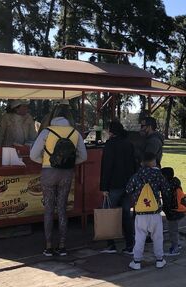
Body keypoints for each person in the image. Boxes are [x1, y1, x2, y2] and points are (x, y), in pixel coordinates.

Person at [30, 103, 87, 257]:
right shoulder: (75, 133)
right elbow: (83, 156)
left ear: (53, 115)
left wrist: (45, 161)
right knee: (62, 208)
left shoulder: (46, 132)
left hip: (48, 172)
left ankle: (48, 246)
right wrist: (68, 163)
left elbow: (33, 155)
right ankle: (62, 245)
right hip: (67, 173)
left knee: (48, 209)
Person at [125, 152, 170, 270]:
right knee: (158, 237)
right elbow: (166, 189)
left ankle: (137, 261)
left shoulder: (136, 176)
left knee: (139, 237)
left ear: (141, 162)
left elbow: (128, 189)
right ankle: (160, 260)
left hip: (140, 214)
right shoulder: (158, 175)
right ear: (153, 161)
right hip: (155, 213)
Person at [100, 121, 136, 255]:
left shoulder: (110, 145)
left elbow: (107, 167)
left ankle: (111, 244)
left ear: (111, 131)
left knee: (107, 212)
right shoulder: (128, 143)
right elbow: (134, 164)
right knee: (126, 214)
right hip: (128, 185)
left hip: (114, 184)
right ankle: (130, 244)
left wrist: (104, 187)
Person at [161, 167, 186, 256]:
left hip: (173, 212)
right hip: (180, 210)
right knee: (175, 229)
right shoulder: (176, 183)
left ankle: (175, 248)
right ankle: (177, 243)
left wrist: (163, 208)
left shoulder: (167, 187)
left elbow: (167, 202)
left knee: (172, 230)